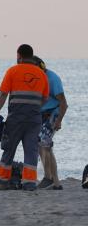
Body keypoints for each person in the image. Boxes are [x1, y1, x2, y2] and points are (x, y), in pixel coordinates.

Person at [0, 44, 49, 191]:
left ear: (19, 56)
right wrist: (35, 108)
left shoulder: (13, 71)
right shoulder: (41, 74)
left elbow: (3, 94)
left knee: (9, 148)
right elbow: (45, 98)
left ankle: (2, 181)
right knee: (31, 150)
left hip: (16, 118)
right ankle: (29, 183)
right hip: (34, 119)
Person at [34, 57, 68, 190]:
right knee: (45, 146)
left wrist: (59, 121)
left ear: (41, 66)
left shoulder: (53, 79)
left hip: (54, 113)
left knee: (43, 143)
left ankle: (48, 178)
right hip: (41, 114)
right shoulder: (35, 78)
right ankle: (56, 182)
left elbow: (64, 103)